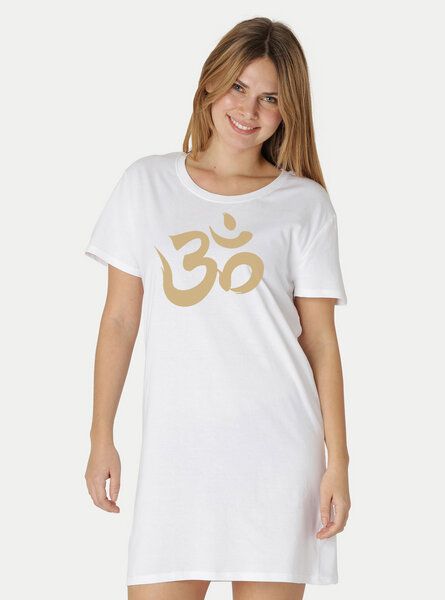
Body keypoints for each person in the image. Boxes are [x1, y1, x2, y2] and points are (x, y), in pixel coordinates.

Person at [84, 16, 351, 600]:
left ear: (288, 111)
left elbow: (321, 343)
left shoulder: (305, 205)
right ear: (210, 83)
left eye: (270, 98)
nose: (248, 110)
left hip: (279, 458)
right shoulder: (146, 184)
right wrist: (101, 434)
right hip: (177, 461)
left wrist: (339, 463)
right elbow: (119, 321)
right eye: (238, 87)